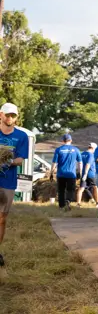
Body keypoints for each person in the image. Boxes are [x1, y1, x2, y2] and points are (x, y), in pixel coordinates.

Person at [0, 103, 29, 267]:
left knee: (2, 218)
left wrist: (7, 161)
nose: (10, 118)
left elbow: (20, 159)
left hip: (7, 181)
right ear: (1, 115)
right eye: (7, 115)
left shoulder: (21, 136)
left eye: (13, 115)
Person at [50, 134, 82, 211]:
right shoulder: (76, 150)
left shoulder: (59, 149)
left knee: (61, 190)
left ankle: (61, 206)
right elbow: (80, 162)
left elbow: (54, 163)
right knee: (70, 189)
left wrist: (51, 173)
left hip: (61, 174)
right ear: (71, 140)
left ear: (63, 141)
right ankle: (68, 200)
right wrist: (80, 172)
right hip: (71, 174)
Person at [76, 143, 98, 207]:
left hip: (83, 174)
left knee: (81, 188)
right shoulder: (91, 155)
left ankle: (78, 204)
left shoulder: (82, 154)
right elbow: (88, 164)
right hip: (91, 174)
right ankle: (97, 203)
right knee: (95, 187)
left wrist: (79, 173)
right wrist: (86, 174)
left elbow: (78, 163)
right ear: (93, 148)